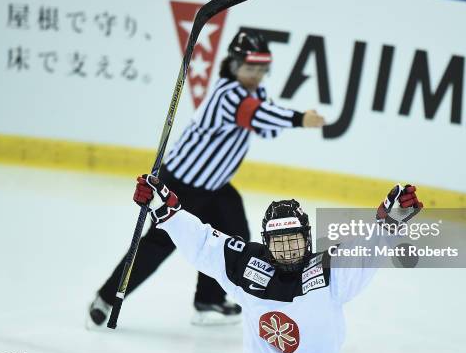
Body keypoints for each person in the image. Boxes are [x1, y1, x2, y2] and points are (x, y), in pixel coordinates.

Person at [88, 29, 326, 327]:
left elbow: (265, 125)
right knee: (159, 245)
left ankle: (209, 300)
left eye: (261, 69)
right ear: (234, 66)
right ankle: (106, 298)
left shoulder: (257, 94)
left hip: (214, 186)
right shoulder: (228, 95)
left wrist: (282, 117)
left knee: (233, 238)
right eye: (249, 68)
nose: (255, 75)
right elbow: (253, 114)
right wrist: (299, 118)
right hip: (182, 184)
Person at [132, 174, 423, 353]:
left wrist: (388, 225)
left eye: (293, 241)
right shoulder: (245, 266)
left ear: (307, 239)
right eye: (279, 243)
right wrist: (168, 212)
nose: (287, 250)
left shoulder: (328, 271)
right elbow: (204, 242)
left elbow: (363, 254)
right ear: (266, 243)